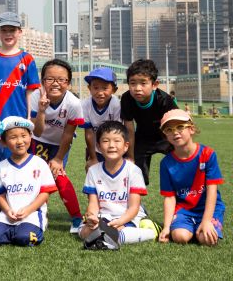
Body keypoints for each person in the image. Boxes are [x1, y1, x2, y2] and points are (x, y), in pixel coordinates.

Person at [80, 121, 158, 246]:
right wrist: (92, 217)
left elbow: (134, 207)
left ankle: (151, 231)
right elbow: (93, 204)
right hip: (104, 216)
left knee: (117, 234)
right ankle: (110, 234)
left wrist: (121, 221)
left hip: (128, 216)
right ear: (98, 146)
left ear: (126, 146)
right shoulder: (93, 171)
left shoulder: (134, 171)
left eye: (117, 141)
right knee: (84, 233)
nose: (111, 145)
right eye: (105, 141)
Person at [30, 59, 84, 233]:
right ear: (42, 81)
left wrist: (59, 159)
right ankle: (38, 213)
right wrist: (42, 110)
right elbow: (37, 132)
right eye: (50, 79)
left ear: (68, 83)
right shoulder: (36, 96)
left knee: (59, 177)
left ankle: (77, 218)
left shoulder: (74, 103)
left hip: (59, 144)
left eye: (61, 79)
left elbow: (68, 134)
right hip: (38, 140)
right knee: (35, 178)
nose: (55, 83)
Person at [158, 109, 225, 245]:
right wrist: (166, 227)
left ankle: (202, 226)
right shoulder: (166, 163)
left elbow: (212, 191)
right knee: (180, 237)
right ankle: (189, 227)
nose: (175, 132)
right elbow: (169, 197)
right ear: (165, 135)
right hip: (184, 210)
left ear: (192, 129)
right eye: (169, 129)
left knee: (207, 240)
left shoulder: (207, 154)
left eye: (180, 127)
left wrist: (206, 221)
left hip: (209, 208)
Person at [0, 116, 56, 247]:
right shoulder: (1, 166)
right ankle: (15, 231)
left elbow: (45, 193)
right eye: (13, 137)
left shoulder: (39, 163)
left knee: (24, 238)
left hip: (32, 214)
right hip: (9, 214)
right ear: (3, 142)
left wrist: (28, 210)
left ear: (30, 136)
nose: (20, 141)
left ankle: (25, 231)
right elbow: (0, 195)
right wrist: (7, 211)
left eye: (24, 136)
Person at [121, 59, 178, 185]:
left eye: (143, 83)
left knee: (179, 167)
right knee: (135, 175)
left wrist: (180, 149)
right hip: (142, 138)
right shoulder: (126, 99)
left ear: (154, 85)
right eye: (133, 83)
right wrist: (130, 157)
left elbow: (177, 125)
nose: (137, 88)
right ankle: (137, 196)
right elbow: (129, 128)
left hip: (165, 137)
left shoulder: (164, 100)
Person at [0, 12, 40, 121]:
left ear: (19, 32)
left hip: (19, 119)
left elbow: (31, 92)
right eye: (4, 30)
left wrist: (29, 117)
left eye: (12, 30)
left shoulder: (27, 59)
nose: (8, 34)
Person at [80, 67, 121, 170]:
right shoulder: (85, 104)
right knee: (92, 170)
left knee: (114, 173)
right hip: (95, 150)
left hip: (113, 147)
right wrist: (93, 158)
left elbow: (118, 132)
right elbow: (89, 133)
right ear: (89, 88)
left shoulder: (116, 105)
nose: (100, 92)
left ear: (114, 90)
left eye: (105, 88)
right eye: (96, 87)